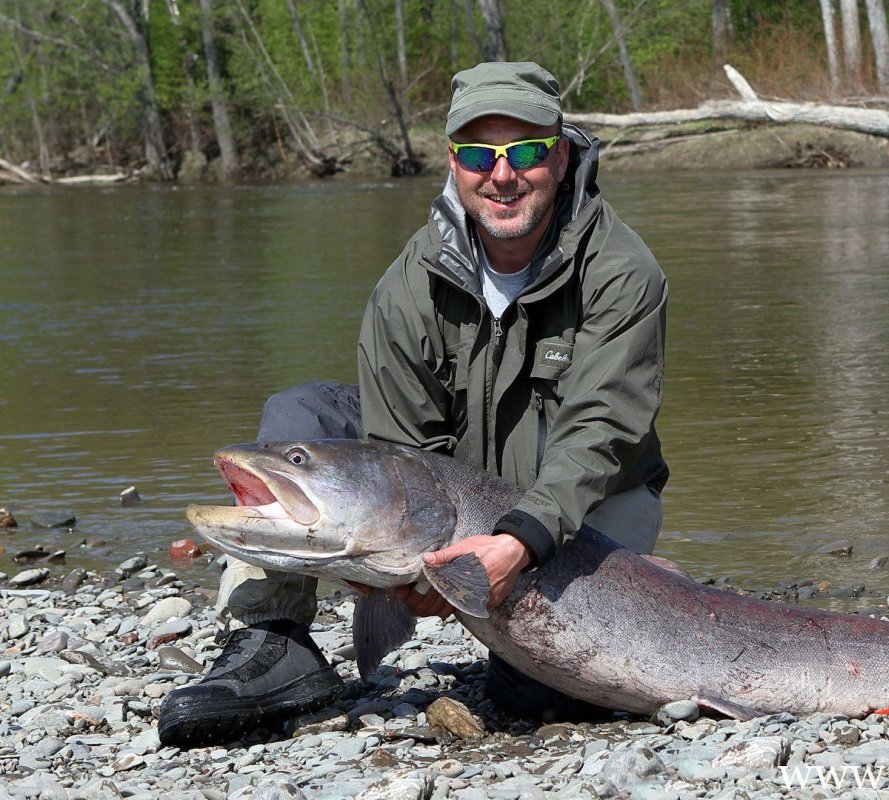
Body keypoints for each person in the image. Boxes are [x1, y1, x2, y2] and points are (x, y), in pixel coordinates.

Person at [159, 61, 669, 747]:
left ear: (563, 154)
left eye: (524, 152)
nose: (503, 175)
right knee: (302, 420)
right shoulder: (410, 281)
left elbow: (601, 431)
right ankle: (271, 641)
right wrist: (414, 574)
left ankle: (572, 648)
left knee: (536, 691)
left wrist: (517, 542)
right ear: (454, 162)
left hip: (583, 501)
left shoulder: (622, 272)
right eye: (479, 155)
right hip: (453, 497)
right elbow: (405, 457)